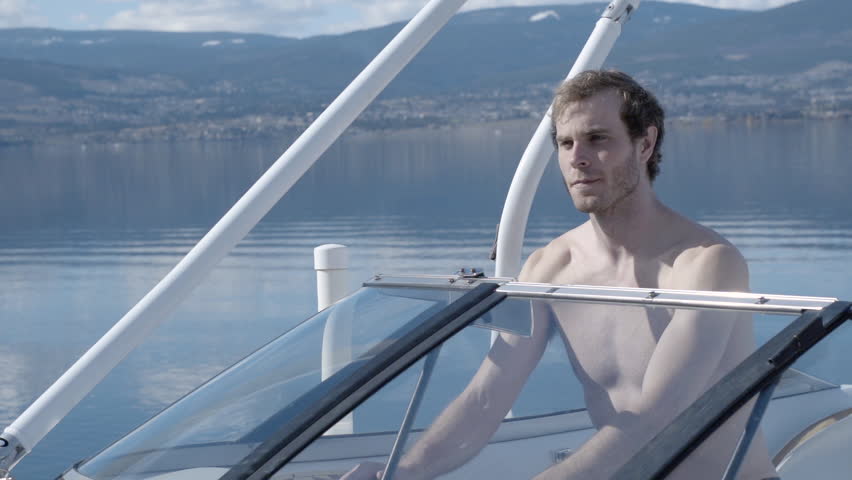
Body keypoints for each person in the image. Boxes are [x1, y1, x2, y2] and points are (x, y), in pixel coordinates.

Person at [342, 70, 778, 479]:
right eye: (565, 143)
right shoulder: (552, 267)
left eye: (597, 139)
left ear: (645, 144)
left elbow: (653, 420)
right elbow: (486, 398)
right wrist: (403, 472)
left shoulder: (705, 265)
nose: (578, 159)